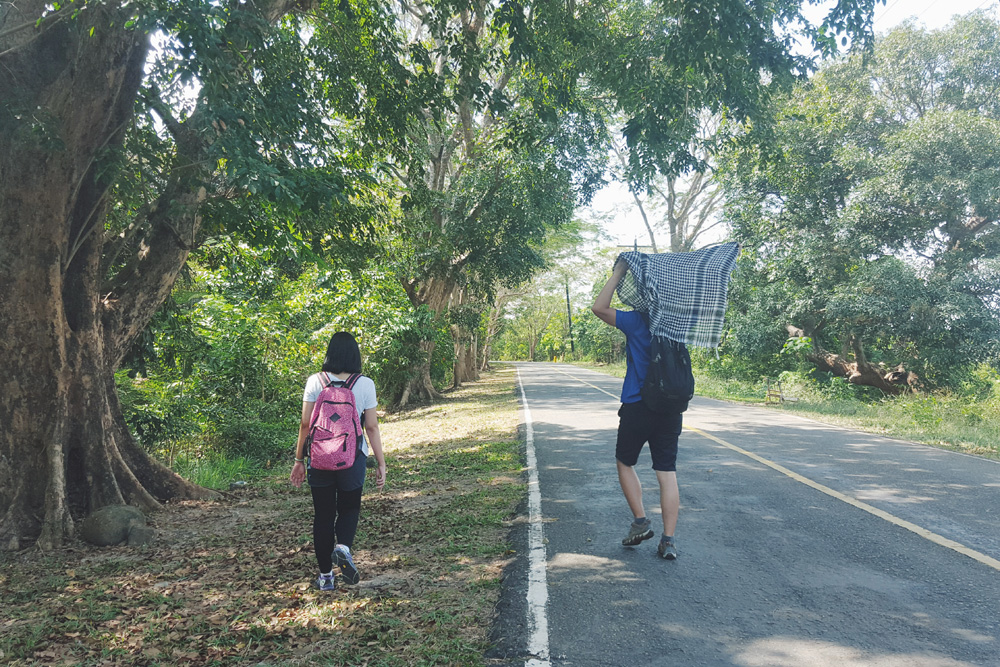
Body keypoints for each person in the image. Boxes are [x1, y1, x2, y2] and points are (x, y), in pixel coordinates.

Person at [592, 259, 682, 560]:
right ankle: (668, 541)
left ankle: (640, 521)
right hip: (671, 407)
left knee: (625, 462)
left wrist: (619, 272)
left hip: (637, 404)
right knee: (666, 472)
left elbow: (599, 308)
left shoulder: (636, 320)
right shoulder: (678, 321)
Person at [290, 331, 387, 590]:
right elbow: (372, 428)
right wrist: (380, 462)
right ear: (355, 355)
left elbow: (304, 424)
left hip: (319, 457)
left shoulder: (315, 381)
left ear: (329, 353)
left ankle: (325, 578)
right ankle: (343, 547)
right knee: (349, 508)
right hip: (352, 458)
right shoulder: (364, 383)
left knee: (323, 515)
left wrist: (299, 459)